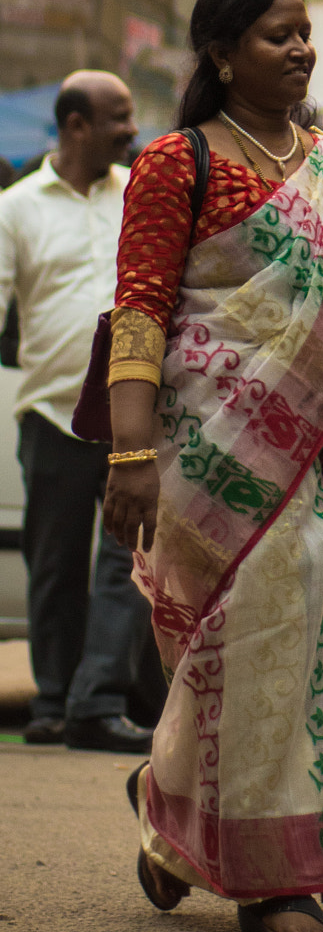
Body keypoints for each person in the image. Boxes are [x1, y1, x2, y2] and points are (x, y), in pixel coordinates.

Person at [104, 0, 323, 932]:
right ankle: (238, 856)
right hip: (207, 448)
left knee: (302, 644)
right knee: (238, 639)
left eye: (304, 32)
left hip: (318, 452)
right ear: (220, 51)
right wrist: (129, 455)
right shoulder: (179, 161)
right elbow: (142, 307)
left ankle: (239, 852)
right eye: (275, 35)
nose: (299, 49)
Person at [0, 70, 155, 752]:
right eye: (117, 118)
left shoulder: (142, 196)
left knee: (129, 558)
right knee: (55, 562)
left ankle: (97, 701)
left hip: (134, 411)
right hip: (52, 410)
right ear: (74, 126)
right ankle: (55, 702)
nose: (131, 130)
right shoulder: (16, 207)